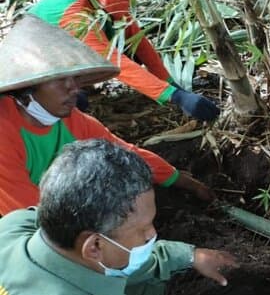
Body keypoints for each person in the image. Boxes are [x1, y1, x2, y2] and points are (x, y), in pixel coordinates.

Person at [0, 139, 239, 295]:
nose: (152, 234)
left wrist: (187, 256)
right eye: (143, 229)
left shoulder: (13, 227)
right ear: (94, 246)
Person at [0, 14, 213, 216]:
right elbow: (28, 220)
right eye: (59, 80)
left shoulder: (71, 121)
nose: (74, 88)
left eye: (74, 78)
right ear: (26, 89)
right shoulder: (4, 135)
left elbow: (123, 153)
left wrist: (181, 181)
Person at [28, 0, 219, 121]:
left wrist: (171, 84)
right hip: (36, 65)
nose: (126, 0)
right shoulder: (75, 20)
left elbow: (138, 40)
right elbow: (117, 63)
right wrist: (175, 97)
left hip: (60, 47)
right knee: (75, 104)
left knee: (128, 43)